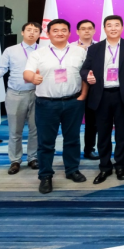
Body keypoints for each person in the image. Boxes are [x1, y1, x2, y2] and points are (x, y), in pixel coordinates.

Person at [23, 19, 88, 194]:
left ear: (69, 33)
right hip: (46, 103)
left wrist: (83, 95)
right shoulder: (38, 53)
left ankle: (72, 170)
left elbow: (85, 74)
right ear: (48, 33)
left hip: (73, 102)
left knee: (72, 139)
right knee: (46, 142)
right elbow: (27, 72)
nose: (60, 33)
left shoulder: (80, 52)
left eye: (64, 30)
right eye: (56, 30)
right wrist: (32, 78)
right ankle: (45, 176)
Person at [81, 15, 124, 184]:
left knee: (122, 133)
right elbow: (84, 69)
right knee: (103, 133)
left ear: (122, 28)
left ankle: (120, 166)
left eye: (116, 25)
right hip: (101, 95)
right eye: (109, 25)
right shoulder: (95, 48)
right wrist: (87, 76)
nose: (113, 28)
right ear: (104, 29)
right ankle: (104, 167)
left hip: (122, 95)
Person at [0, 22, 41, 175]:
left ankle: (33, 158)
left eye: (36, 31)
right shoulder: (11, 50)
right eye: (29, 30)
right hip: (16, 94)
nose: (32, 33)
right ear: (22, 32)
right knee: (15, 130)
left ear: (40, 34)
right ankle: (15, 160)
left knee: (36, 129)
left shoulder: (43, 50)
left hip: (38, 94)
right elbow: (2, 68)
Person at [73, 19, 99, 160]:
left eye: (90, 28)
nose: (87, 31)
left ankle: (89, 149)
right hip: (74, 90)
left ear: (94, 31)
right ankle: (72, 151)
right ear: (78, 31)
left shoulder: (100, 47)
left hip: (93, 90)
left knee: (92, 123)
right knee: (72, 123)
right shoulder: (70, 48)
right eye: (83, 28)